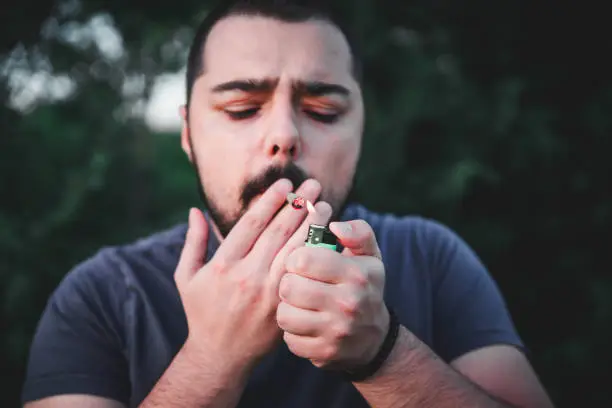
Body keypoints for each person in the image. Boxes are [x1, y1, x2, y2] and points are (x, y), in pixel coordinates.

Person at [21, 1, 555, 407]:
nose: (283, 135)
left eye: (322, 111)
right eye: (242, 108)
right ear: (187, 134)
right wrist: (212, 359)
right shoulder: (99, 296)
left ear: (361, 129)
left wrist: (384, 354)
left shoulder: (431, 258)